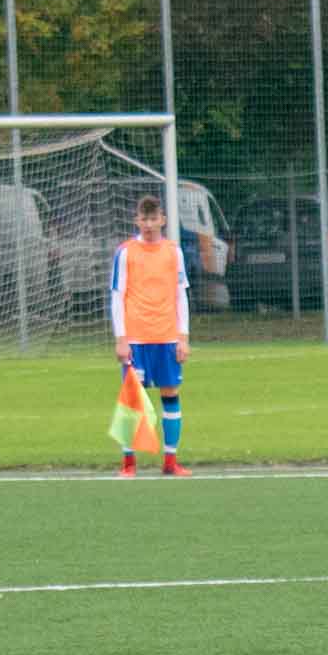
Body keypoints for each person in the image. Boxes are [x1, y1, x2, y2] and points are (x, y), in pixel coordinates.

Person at [110, 193, 192, 476]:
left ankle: (170, 461)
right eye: (144, 219)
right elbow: (117, 296)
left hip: (167, 337)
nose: (148, 224)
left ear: (162, 220)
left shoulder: (174, 252)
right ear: (136, 220)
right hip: (136, 339)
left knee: (170, 393)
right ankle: (128, 463)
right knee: (133, 398)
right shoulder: (125, 252)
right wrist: (121, 339)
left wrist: (183, 337)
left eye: (153, 218)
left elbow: (181, 295)